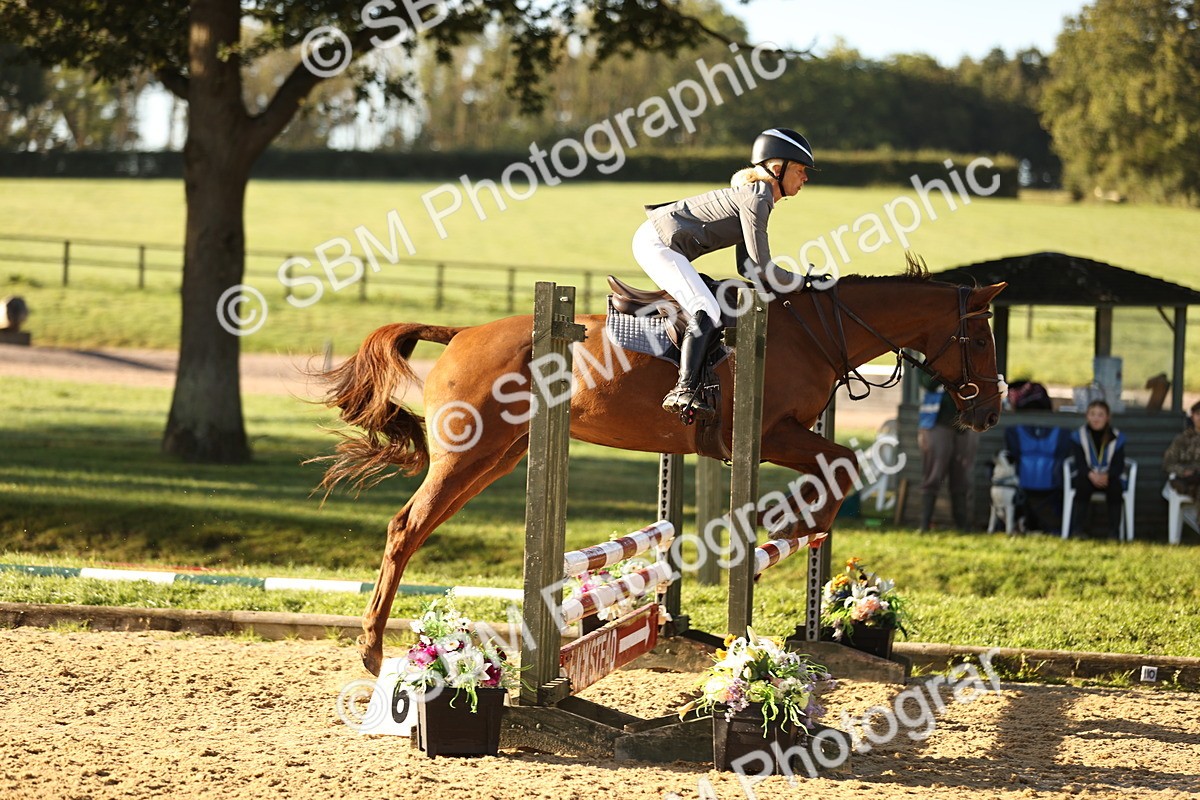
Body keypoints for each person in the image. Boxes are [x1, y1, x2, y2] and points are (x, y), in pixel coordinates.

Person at [633, 127, 814, 418]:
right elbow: (764, 268)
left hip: (661, 243)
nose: (805, 177)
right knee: (705, 307)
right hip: (656, 243)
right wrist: (803, 282)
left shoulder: (755, 197)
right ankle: (683, 389)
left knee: (712, 301)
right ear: (777, 169)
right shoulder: (757, 199)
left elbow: (748, 268)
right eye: (801, 170)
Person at [917, 371, 979, 531]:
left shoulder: (969, 357)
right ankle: (924, 525)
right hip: (937, 422)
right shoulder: (932, 359)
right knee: (933, 474)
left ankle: (963, 525)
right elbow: (927, 382)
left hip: (966, 424)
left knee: (962, 476)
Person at [1068, 400, 1127, 539]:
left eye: (1100, 415)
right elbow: (1079, 463)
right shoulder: (1079, 436)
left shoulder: (1117, 437)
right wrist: (1091, 475)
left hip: (1108, 477)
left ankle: (1114, 532)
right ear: (1087, 416)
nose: (1096, 418)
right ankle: (1078, 530)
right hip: (1087, 476)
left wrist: (1107, 476)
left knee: (1115, 488)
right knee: (1082, 486)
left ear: (1107, 417)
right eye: (1092, 414)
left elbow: (1118, 464)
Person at [1163, 400, 1200, 503]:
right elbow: (1168, 463)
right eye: (1198, 414)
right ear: (1192, 416)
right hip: (1189, 477)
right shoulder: (1182, 439)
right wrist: (1183, 471)